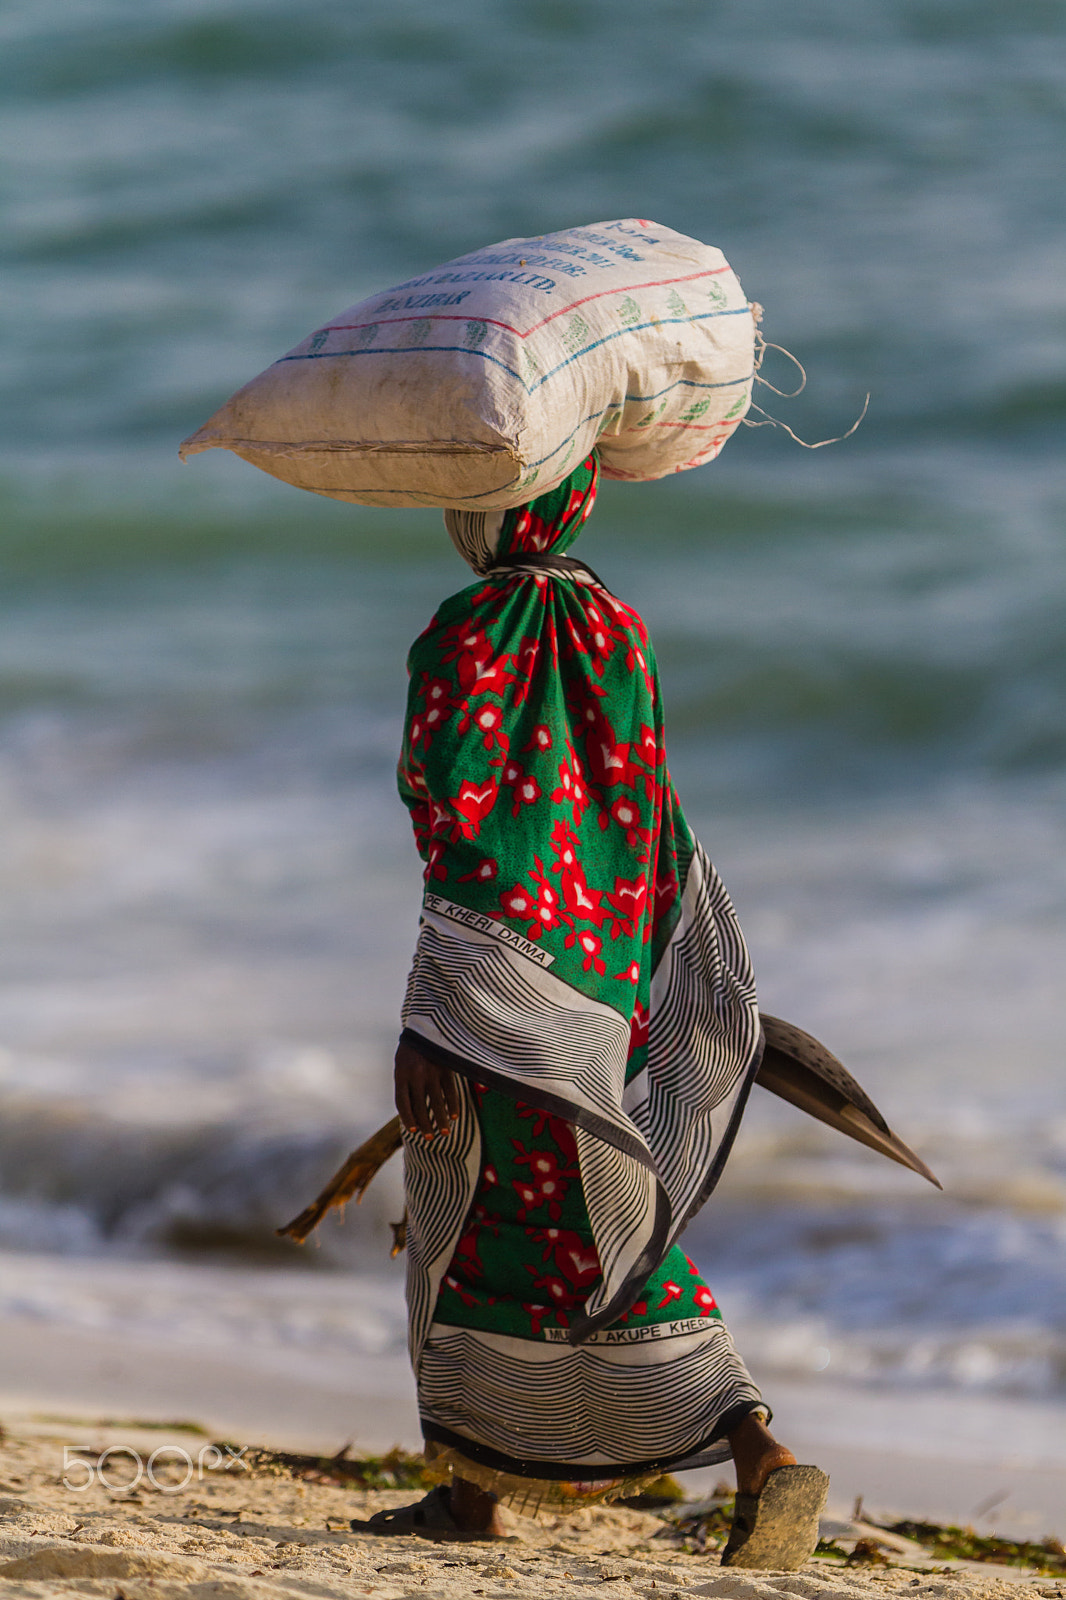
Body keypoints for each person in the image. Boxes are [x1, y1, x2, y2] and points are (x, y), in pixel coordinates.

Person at [353, 455, 828, 1565]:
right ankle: (475, 1492)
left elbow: (453, 817)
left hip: (495, 977)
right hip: (606, 971)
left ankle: (752, 1439)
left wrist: (431, 1012)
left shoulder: (466, 628)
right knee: (546, 1215)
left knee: (494, 1216)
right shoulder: (619, 622)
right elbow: (642, 799)